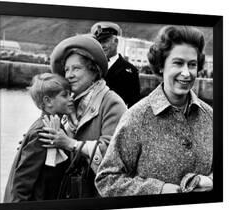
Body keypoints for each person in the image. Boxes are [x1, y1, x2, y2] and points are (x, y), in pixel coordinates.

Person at [95, 25, 213, 196]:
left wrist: (211, 181)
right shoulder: (136, 117)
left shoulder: (210, 116)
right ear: (161, 66)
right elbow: (107, 180)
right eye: (178, 63)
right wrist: (158, 189)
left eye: (192, 64)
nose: (186, 73)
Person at [39, 35, 127, 198]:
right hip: (67, 192)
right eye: (66, 69)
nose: (69, 75)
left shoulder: (112, 103)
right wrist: (35, 139)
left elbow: (113, 154)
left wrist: (70, 143)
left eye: (76, 68)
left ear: (94, 71)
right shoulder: (67, 103)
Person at [3, 73, 75, 202]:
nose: (71, 99)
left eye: (70, 94)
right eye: (65, 95)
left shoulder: (55, 127)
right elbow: (22, 183)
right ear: (48, 101)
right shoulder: (43, 132)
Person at [91, 21, 141, 107]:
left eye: (105, 41)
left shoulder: (130, 70)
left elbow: (134, 104)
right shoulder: (92, 67)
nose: (102, 45)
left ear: (116, 41)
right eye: (99, 42)